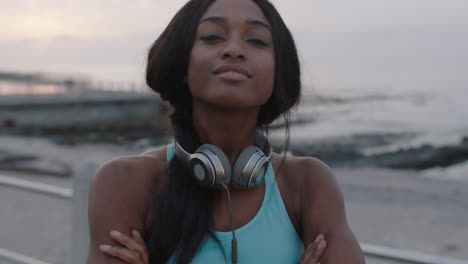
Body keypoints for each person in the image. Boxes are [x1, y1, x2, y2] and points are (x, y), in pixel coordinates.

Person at [87, 0, 365, 263]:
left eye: (256, 40)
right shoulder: (125, 182)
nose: (234, 49)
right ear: (183, 63)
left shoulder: (309, 183)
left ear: (277, 73)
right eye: (212, 37)